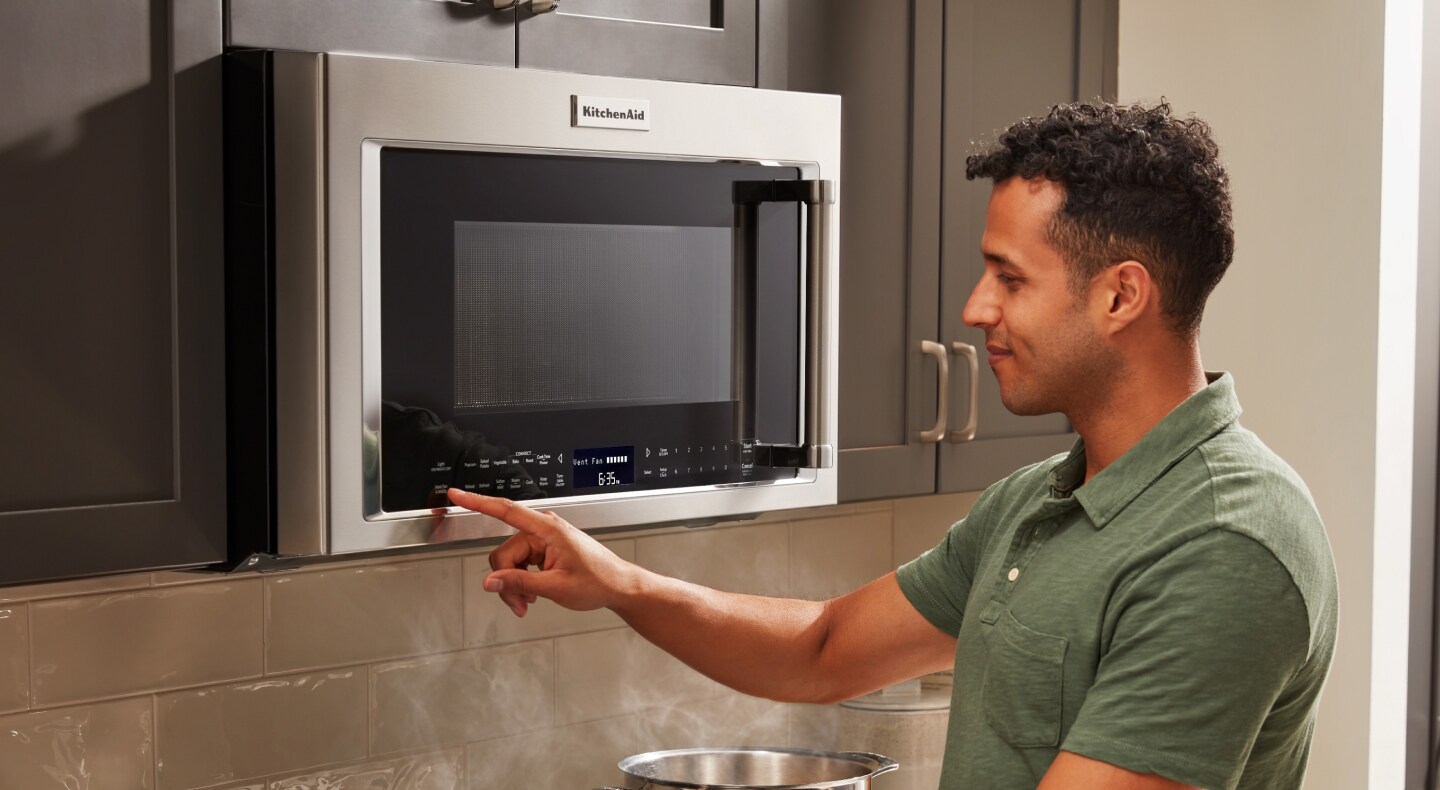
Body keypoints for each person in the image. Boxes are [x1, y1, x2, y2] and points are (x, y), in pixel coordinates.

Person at [446, 100, 1338, 790]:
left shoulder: (1224, 542)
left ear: (1120, 296)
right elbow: (824, 648)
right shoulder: (1038, 503)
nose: (975, 309)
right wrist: (618, 582)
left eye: (1010, 278)